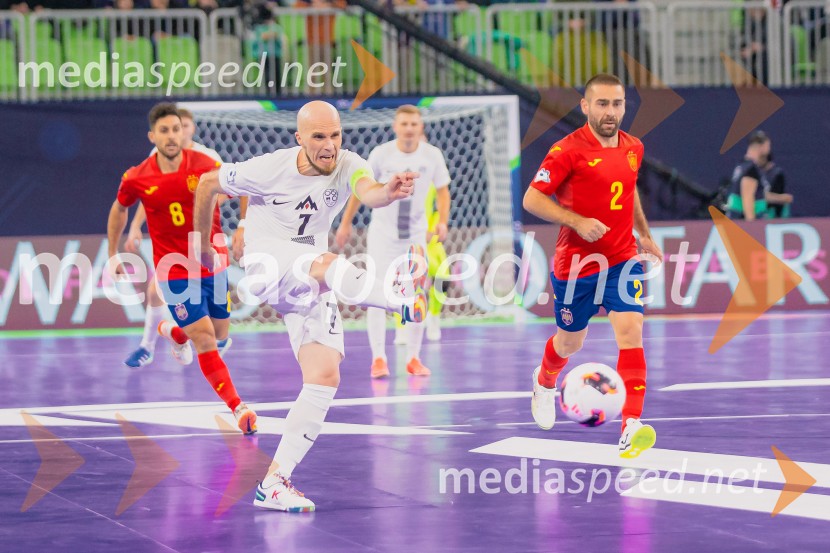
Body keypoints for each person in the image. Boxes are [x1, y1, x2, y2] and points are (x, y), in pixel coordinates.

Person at [193, 100, 426, 512]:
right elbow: (208, 184)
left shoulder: (348, 163)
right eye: (318, 137)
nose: (329, 146)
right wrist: (201, 245)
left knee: (324, 375)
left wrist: (387, 192)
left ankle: (274, 483)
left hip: (309, 278)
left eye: (335, 135)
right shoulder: (270, 167)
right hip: (268, 264)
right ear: (299, 138)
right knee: (327, 265)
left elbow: (367, 191)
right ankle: (398, 301)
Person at [523, 73, 663, 459]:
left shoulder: (634, 146)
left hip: (621, 259)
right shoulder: (566, 150)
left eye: (617, 104)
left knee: (631, 331)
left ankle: (630, 425)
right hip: (577, 265)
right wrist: (577, 221)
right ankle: (544, 379)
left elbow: (629, 187)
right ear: (585, 106)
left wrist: (644, 233)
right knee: (571, 341)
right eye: (602, 104)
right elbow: (533, 200)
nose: (610, 112)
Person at [107, 102, 257, 434]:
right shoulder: (138, 176)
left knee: (219, 337)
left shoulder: (205, 164)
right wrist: (113, 252)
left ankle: (173, 333)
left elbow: (243, 186)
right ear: (153, 136)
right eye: (165, 131)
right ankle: (239, 408)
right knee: (204, 339)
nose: (172, 136)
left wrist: (243, 226)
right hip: (173, 269)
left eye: (177, 129)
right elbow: (120, 208)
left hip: (211, 262)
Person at [122, 107, 245, 368]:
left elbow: (225, 190)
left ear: (189, 129)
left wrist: (207, 207)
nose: (177, 132)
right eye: (167, 129)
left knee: (214, 328)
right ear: (155, 134)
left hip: (205, 244)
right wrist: (135, 226)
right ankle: (148, 346)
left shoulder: (206, 157)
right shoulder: (156, 158)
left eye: (182, 127)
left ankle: (179, 335)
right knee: (155, 291)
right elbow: (152, 195)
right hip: (173, 249)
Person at [335, 105, 451, 378]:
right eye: (404, 124)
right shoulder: (381, 154)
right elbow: (360, 190)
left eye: (414, 123)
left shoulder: (432, 155)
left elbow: (443, 192)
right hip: (382, 236)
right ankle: (378, 358)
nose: (409, 128)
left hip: (415, 236)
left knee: (415, 295)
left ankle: (413, 357)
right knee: (376, 294)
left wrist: (442, 221)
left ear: (420, 127)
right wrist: (345, 222)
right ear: (395, 127)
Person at [725, 131, 792, 220]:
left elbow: (758, 194)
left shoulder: (742, 166)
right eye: (768, 146)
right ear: (762, 147)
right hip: (742, 222)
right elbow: (748, 198)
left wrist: (780, 198)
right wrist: (752, 224)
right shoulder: (751, 169)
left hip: (735, 219)